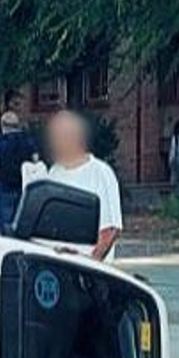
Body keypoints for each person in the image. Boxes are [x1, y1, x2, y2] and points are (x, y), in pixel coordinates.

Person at [44, 110, 123, 261]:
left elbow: (111, 229)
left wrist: (91, 264)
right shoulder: (54, 172)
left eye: (64, 135)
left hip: (89, 269)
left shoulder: (101, 173)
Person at [0, 111, 38, 235]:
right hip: (24, 187)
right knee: (22, 224)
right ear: (17, 125)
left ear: (2, 125)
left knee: (5, 225)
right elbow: (36, 161)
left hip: (4, 187)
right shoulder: (28, 141)